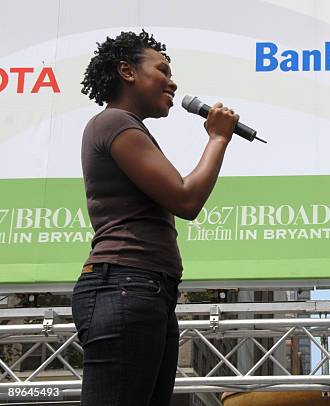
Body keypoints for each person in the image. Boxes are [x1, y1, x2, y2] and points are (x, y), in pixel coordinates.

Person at [72, 30, 238, 406]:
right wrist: (217, 139)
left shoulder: (128, 128)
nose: (173, 81)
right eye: (162, 69)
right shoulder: (114, 122)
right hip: (124, 286)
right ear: (127, 72)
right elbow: (186, 198)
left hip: (146, 290)